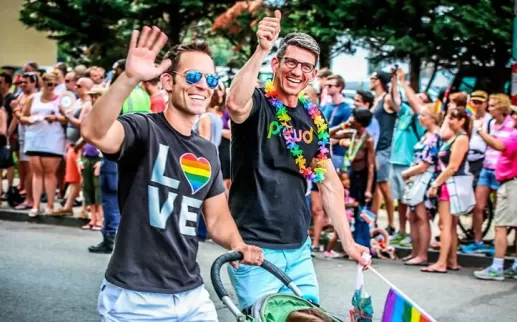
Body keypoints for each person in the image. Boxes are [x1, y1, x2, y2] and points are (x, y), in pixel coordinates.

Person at [81, 26, 263, 320]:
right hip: (134, 298)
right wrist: (129, 77)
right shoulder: (143, 128)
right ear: (167, 81)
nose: (202, 85)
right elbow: (94, 132)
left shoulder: (207, 150)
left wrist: (238, 243)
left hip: (191, 295)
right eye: (192, 76)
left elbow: (216, 217)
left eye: (210, 79)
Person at [225, 10, 370, 311]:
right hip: (254, 248)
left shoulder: (314, 119)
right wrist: (262, 48)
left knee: (310, 318)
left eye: (306, 66)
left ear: (314, 74)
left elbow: (329, 185)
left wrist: (348, 241)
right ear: (276, 64)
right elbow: (234, 104)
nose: (296, 71)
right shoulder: (258, 104)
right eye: (290, 62)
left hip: (299, 249)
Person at [421, 107, 470, 273]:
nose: (449, 121)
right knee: (451, 226)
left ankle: (441, 263)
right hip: (451, 184)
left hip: (450, 185)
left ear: (462, 120)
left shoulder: (461, 138)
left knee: (445, 225)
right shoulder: (455, 137)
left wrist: (436, 184)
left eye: (453, 118)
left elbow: (452, 167)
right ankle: (452, 260)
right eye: (449, 118)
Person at [473, 105, 517, 280]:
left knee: (500, 226)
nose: (512, 116)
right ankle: (514, 266)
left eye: (515, 114)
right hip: (509, 182)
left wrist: (480, 131)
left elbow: (499, 145)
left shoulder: (515, 136)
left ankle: (497, 268)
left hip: (511, 184)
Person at [400, 103, 442, 266]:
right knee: (412, 216)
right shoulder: (426, 134)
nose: (420, 117)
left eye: (423, 115)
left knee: (422, 216)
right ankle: (415, 251)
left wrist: (407, 173)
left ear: (432, 118)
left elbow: (426, 164)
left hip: (425, 179)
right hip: (416, 179)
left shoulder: (435, 136)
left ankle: (422, 254)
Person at [369, 69, 401, 236]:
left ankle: (391, 224)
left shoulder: (387, 98)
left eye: (372, 78)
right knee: (374, 187)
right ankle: (372, 222)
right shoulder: (377, 99)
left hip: (383, 147)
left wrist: (394, 82)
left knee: (383, 186)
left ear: (379, 80)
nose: (370, 80)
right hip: (373, 148)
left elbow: (398, 105)